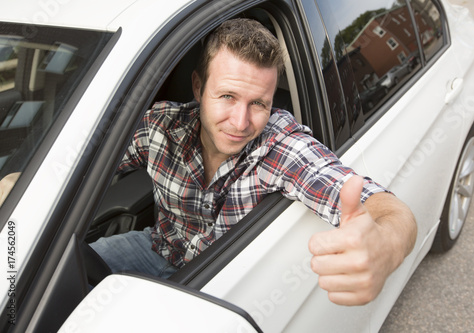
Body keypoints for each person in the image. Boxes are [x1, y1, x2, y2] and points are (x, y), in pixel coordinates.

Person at [0, 18, 417, 306]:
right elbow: (78, 167)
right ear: (199, 87)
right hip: (153, 248)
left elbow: (386, 208)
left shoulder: (279, 146)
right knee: (40, 283)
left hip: (221, 286)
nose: (240, 122)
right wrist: (19, 186)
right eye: (227, 97)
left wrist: (387, 244)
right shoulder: (159, 126)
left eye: (259, 104)